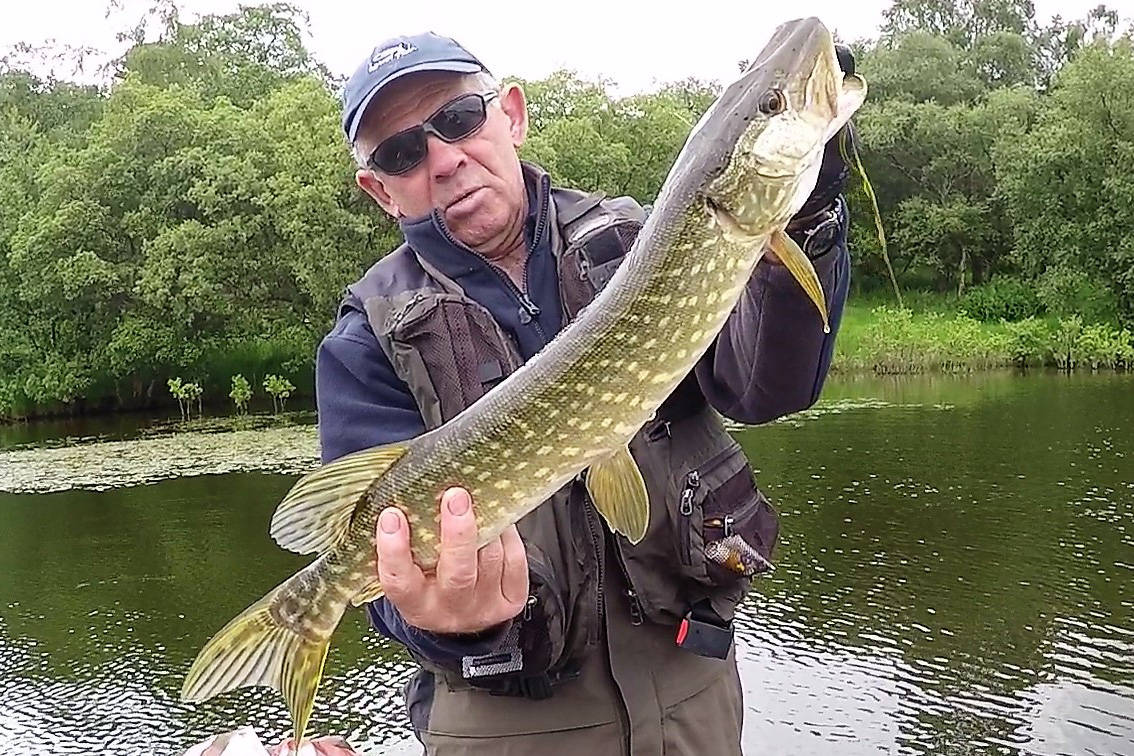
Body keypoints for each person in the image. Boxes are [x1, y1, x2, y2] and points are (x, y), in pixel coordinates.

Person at [315, 31, 855, 755]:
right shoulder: (366, 341)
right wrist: (450, 620)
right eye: (401, 153)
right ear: (379, 188)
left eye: (458, 118)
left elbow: (768, 387)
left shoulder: (638, 240)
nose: (444, 159)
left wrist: (809, 212)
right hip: (508, 726)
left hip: (690, 687)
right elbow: (383, 575)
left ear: (509, 113)